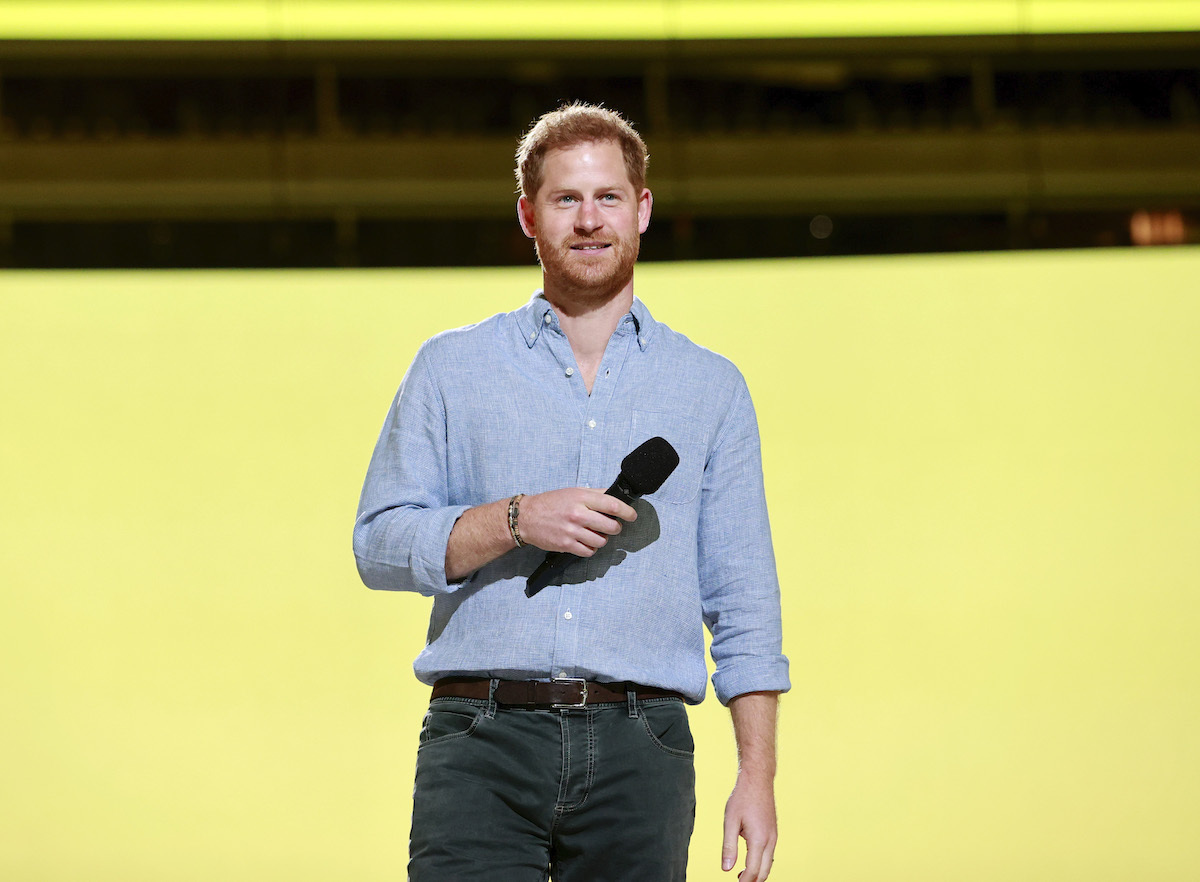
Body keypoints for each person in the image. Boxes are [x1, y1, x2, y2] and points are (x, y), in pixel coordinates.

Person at [354, 102, 789, 882]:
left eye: (608, 197)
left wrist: (757, 776)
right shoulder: (451, 367)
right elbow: (378, 544)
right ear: (529, 215)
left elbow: (744, 597)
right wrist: (515, 519)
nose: (589, 220)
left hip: (643, 747)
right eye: (566, 199)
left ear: (642, 209)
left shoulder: (710, 387)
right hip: (480, 739)